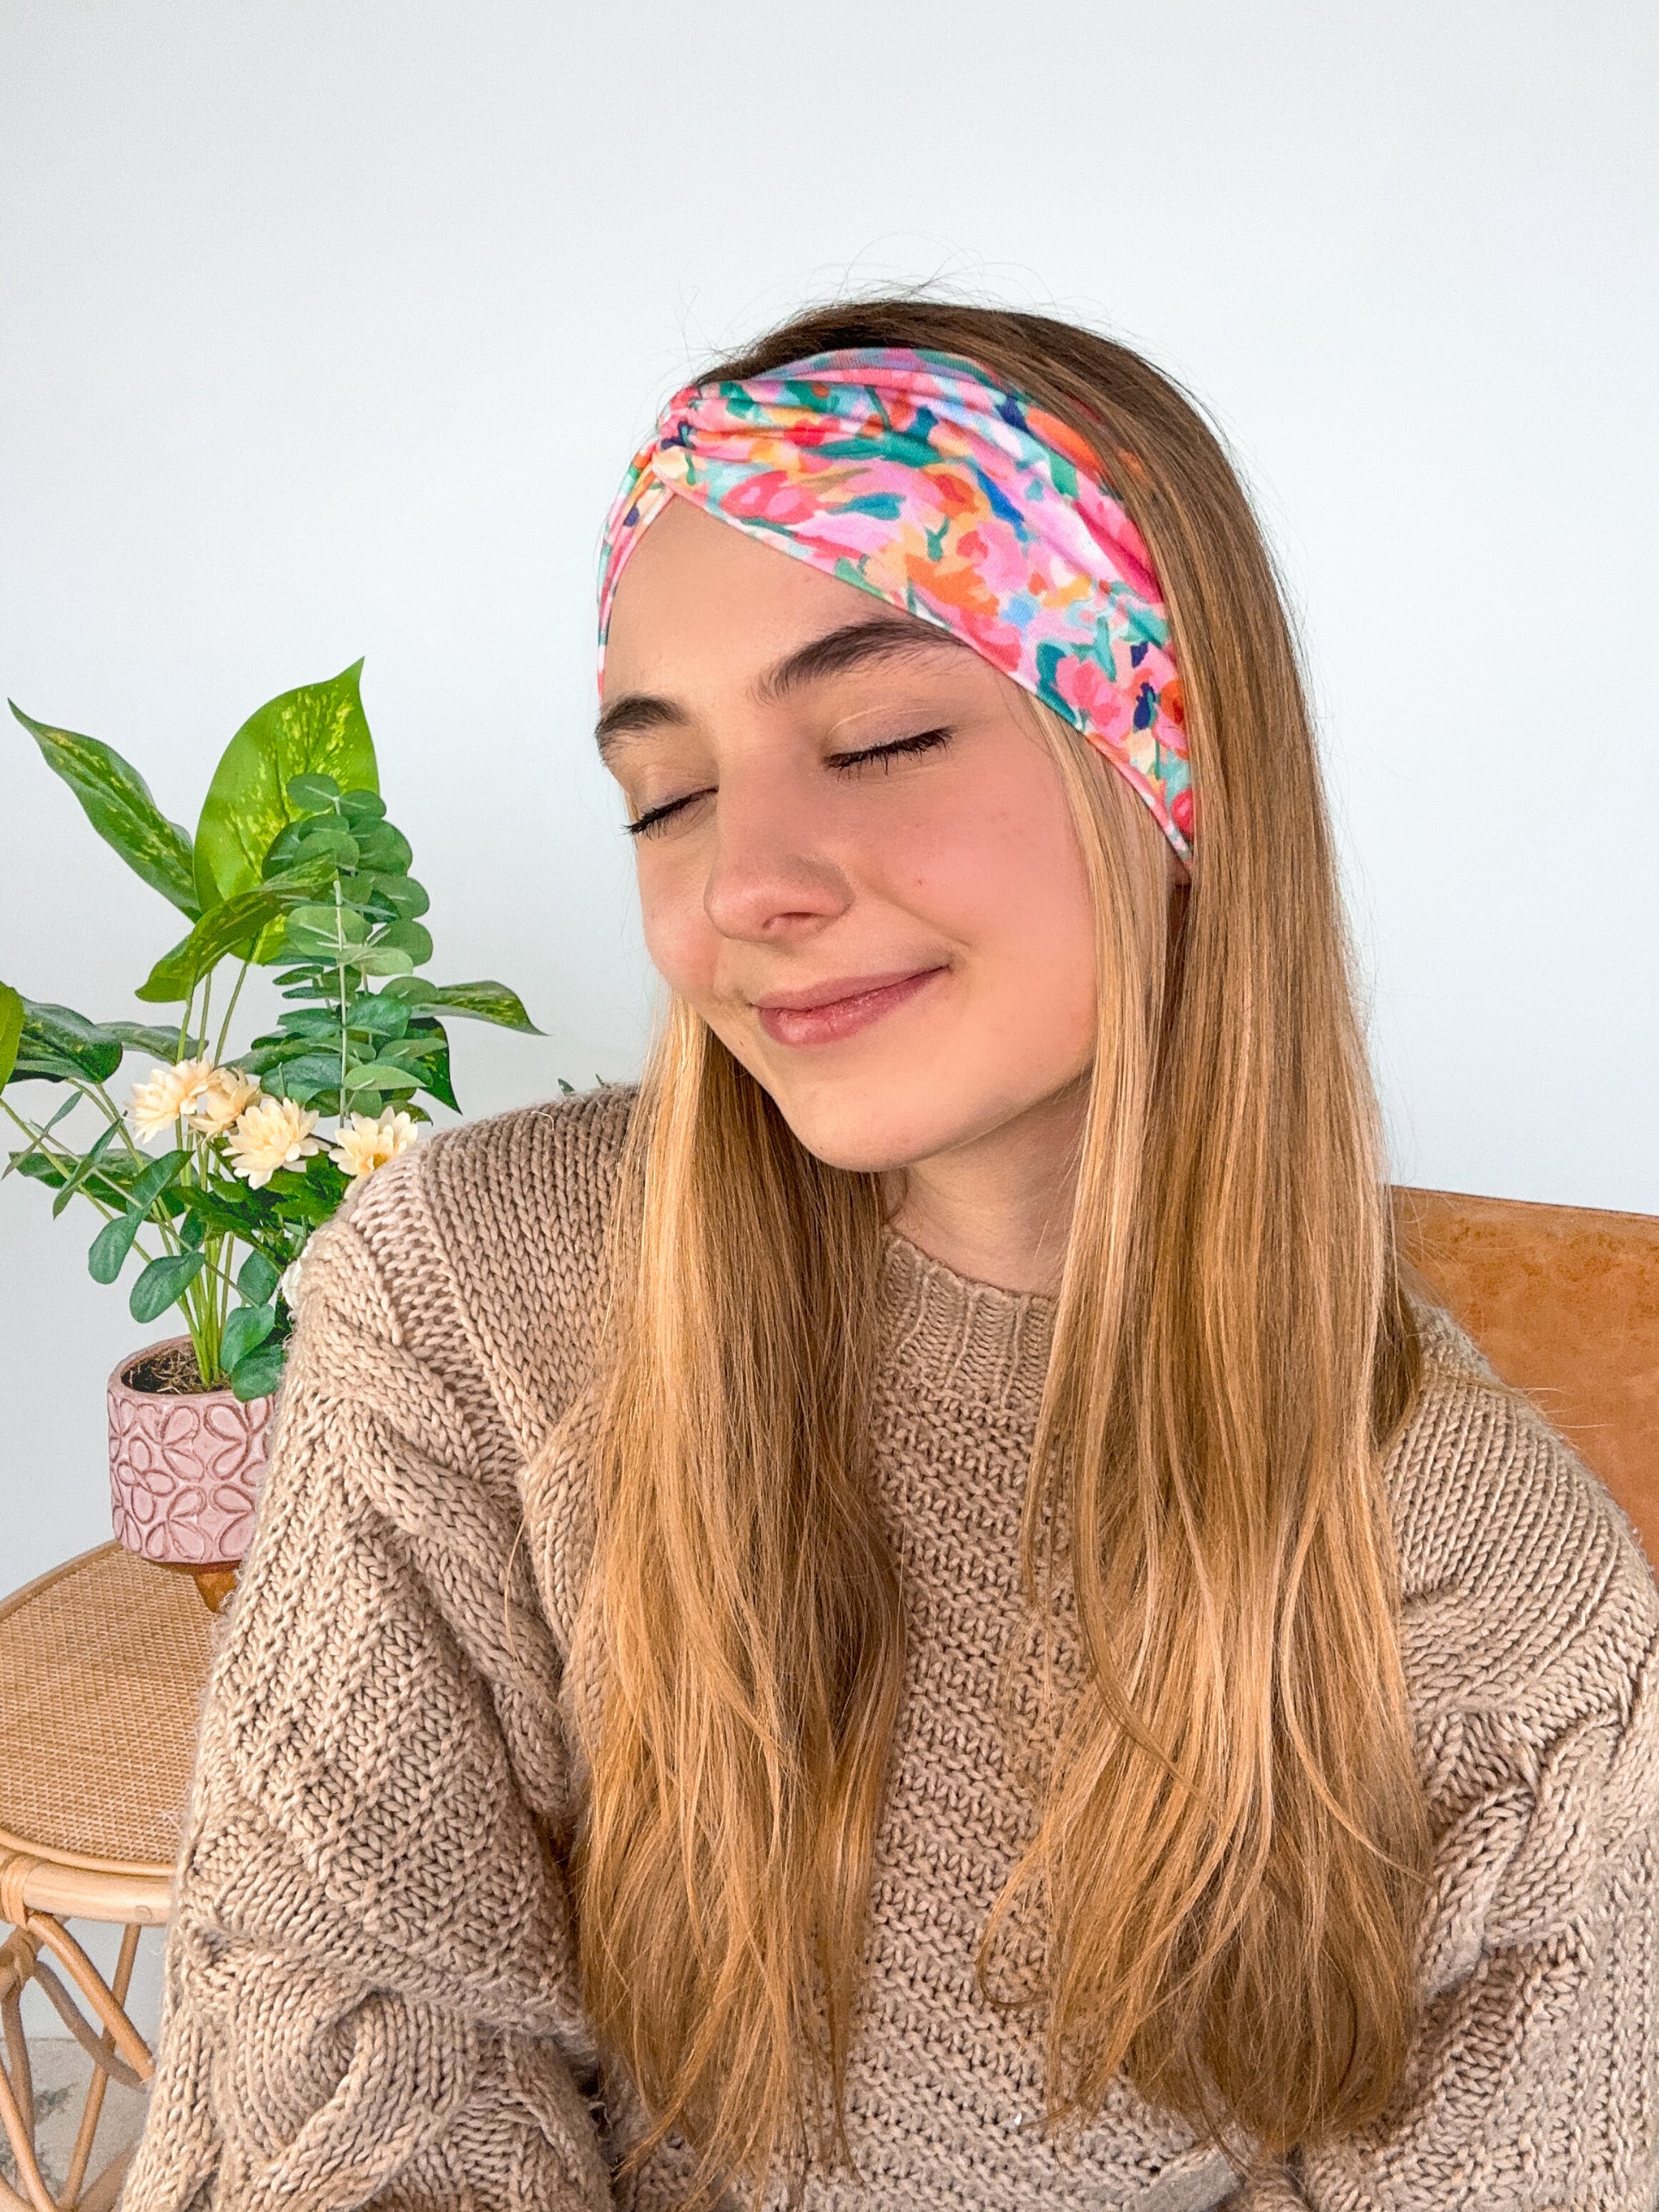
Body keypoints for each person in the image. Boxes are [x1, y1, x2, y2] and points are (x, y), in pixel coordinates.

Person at [122, 301, 1659, 2212]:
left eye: (883, 733)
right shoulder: (467, 1305)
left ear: (1172, 776)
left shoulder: (1505, 1610)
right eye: (664, 792)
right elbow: (362, 2066)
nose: (739, 883)